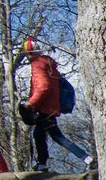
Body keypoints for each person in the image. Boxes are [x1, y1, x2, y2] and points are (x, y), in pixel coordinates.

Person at [19, 38, 91, 172]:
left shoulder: (38, 65)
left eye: (27, 54)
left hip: (45, 109)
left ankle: (86, 158)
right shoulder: (48, 65)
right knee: (42, 135)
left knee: (56, 136)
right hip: (51, 107)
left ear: (30, 53)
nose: (27, 57)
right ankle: (42, 164)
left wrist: (30, 103)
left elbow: (43, 87)